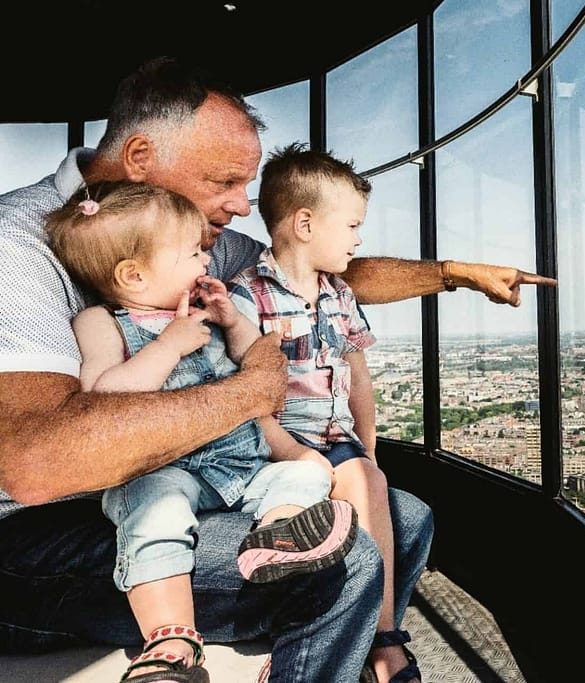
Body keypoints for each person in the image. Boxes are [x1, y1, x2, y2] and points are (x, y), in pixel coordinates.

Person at [0, 55, 556, 682]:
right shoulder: (17, 246)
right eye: (225, 181)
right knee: (346, 563)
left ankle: (338, 653)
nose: (242, 206)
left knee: (403, 520)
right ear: (139, 159)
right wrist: (249, 391)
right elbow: (34, 463)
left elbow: (317, 269)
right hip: (36, 539)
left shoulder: (188, 238)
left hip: (190, 480)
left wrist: (453, 274)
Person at [46, 180, 361, 681]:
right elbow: (103, 398)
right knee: (155, 514)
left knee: (307, 475)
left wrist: (233, 321)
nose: (206, 264)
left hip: (239, 464)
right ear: (134, 274)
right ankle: (170, 640)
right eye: (193, 254)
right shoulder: (101, 321)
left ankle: (278, 535)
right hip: (165, 469)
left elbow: (249, 361)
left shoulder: (204, 314)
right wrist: (167, 345)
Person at [227, 142, 418, 682]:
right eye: (353, 225)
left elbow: (357, 376)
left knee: (369, 483)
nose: (360, 239)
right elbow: (245, 395)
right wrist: (298, 457)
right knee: (349, 504)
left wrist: (369, 449)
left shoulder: (339, 295)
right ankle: (380, 644)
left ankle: (376, 634)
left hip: (337, 440)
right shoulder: (247, 298)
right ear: (305, 223)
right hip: (280, 444)